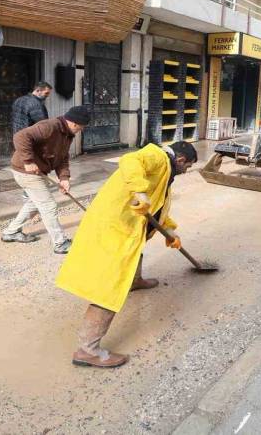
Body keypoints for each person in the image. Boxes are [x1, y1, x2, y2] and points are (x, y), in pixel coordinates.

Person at [56, 141, 198, 368]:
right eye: (188, 166)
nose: (186, 171)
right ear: (180, 160)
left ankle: (135, 280)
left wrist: (170, 230)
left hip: (127, 227)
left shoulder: (165, 173)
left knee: (135, 253)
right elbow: (130, 160)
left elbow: (157, 207)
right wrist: (140, 191)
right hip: (115, 228)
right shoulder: (157, 157)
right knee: (110, 289)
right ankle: (88, 351)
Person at [1, 105, 90, 252]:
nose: (81, 130)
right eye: (81, 127)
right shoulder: (50, 126)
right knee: (48, 206)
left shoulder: (67, 135)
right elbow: (20, 137)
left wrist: (64, 178)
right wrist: (29, 161)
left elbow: (62, 158)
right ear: (75, 123)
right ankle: (60, 243)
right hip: (25, 171)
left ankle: (11, 232)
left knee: (34, 204)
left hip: (37, 172)